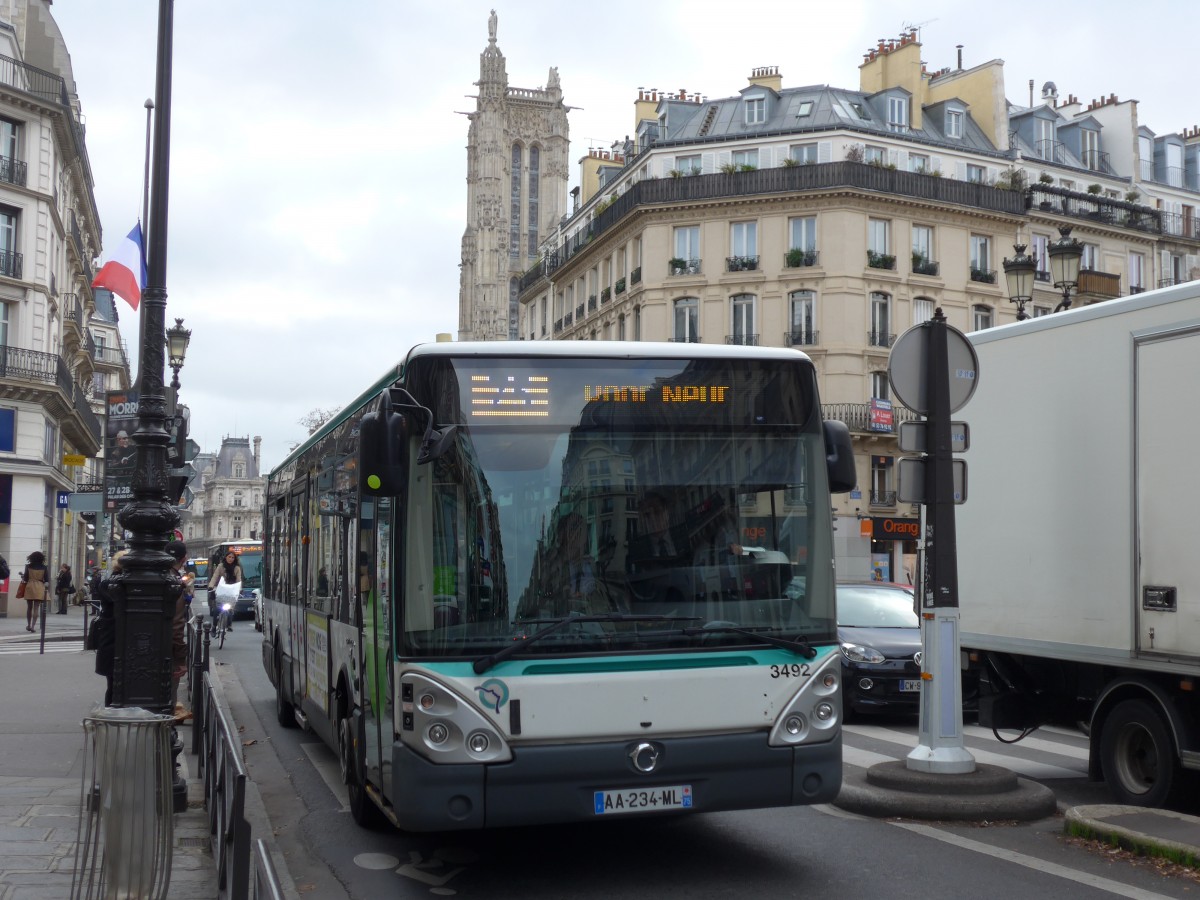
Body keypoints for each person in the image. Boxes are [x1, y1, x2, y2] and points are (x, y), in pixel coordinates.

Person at [165, 540, 194, 721]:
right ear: (184, 559)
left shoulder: (161, 575)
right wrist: (181, 660)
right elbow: (176, 625)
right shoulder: (174, 583)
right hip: (167, 651)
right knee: (168, 696)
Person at [93, 552, 126, 706]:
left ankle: (112, 712)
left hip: (110, 641)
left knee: (113, 684)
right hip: (116, 641)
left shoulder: (107, 583)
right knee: (116, 684)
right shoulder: (112, 584)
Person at [208, 550, 244, 628]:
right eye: (229, 557)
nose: (231, 559)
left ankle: (229, 624)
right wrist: (211, 586)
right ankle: (214, 626)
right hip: (221, 588)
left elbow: (239, 580)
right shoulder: (221, 566)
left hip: (232, 590)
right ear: (226, 557)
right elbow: (215, 576)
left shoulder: (237, 568)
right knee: (217, 608)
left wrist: (240, 589)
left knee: (230, 608)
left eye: (233, 557)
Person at [20, 551, 48, 632]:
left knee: (29, 607)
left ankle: (28, 625)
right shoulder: (44, 567)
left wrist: (22, 576)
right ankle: (33, 626)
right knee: (36, 608)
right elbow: (46, 580)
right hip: (39, 586)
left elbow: (25, 578)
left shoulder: (28, 566)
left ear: (31, 558)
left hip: (30, 586)